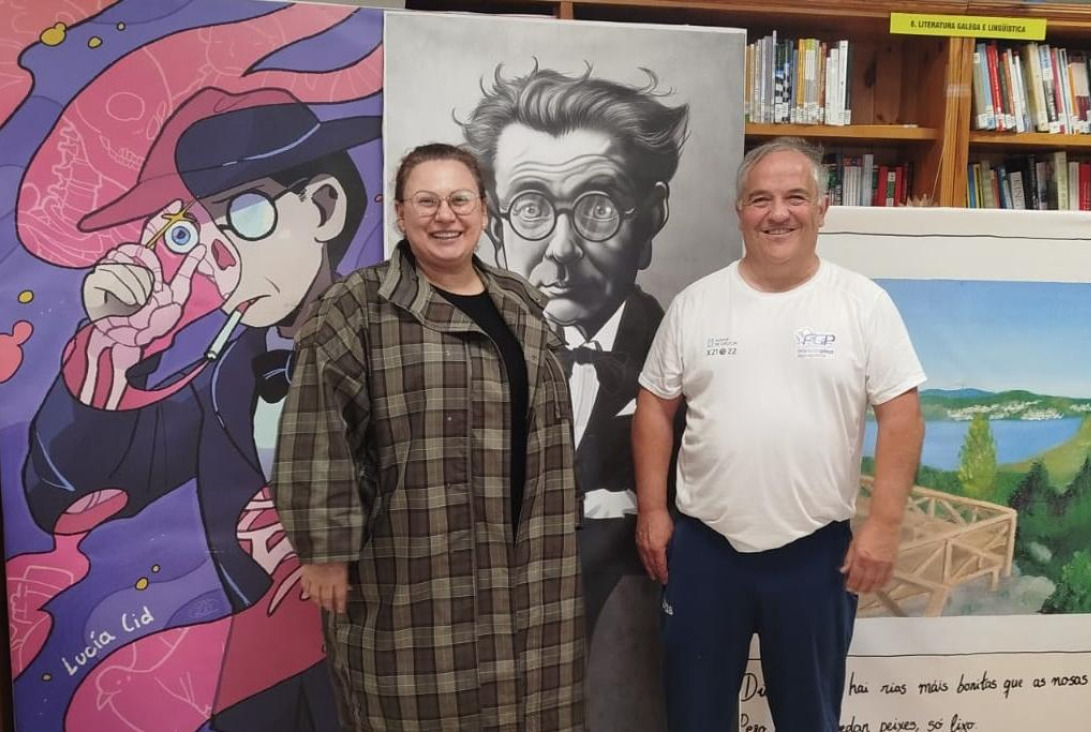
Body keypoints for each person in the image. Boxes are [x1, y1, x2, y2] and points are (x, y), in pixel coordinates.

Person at [23, 86, 377, 730]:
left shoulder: (401, 342)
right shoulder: (224, 380)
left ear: (324, 207)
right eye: (194, 233)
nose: (222, 258)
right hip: (265, 689)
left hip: (387, 667)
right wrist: (116, 344)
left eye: (246, 213)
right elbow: (67, 501)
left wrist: (332, 536)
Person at [273, 144, 586, 731]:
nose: (446, 215)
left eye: (460, 199)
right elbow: (315, 431)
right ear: (400, 214)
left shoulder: (520, 302)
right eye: (427, 201)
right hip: (413, 557)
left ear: (483, 210)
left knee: (534, 707)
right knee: (419, 706)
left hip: (532, 562)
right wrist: (324, 550)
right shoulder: (357, 307)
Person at [632, 137, 927, 731]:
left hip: (815, 555)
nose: (778, 213)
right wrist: (653, 510)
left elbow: (902, 416)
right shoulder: (696, 305)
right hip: (705, 551)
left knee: (809, 717)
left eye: (795, 197)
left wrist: (884, 524)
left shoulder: (863, 304)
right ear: (740, 211)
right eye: (760, 199)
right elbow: (654, 406)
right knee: (694, 717)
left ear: (822, 209)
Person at [462, 65, 688, 727]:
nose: (560, 251)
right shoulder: (461, 349)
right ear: (495, 223)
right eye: (531, 207)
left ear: (651, 217)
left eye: (596, 207)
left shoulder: (686, 350)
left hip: (624, 641)